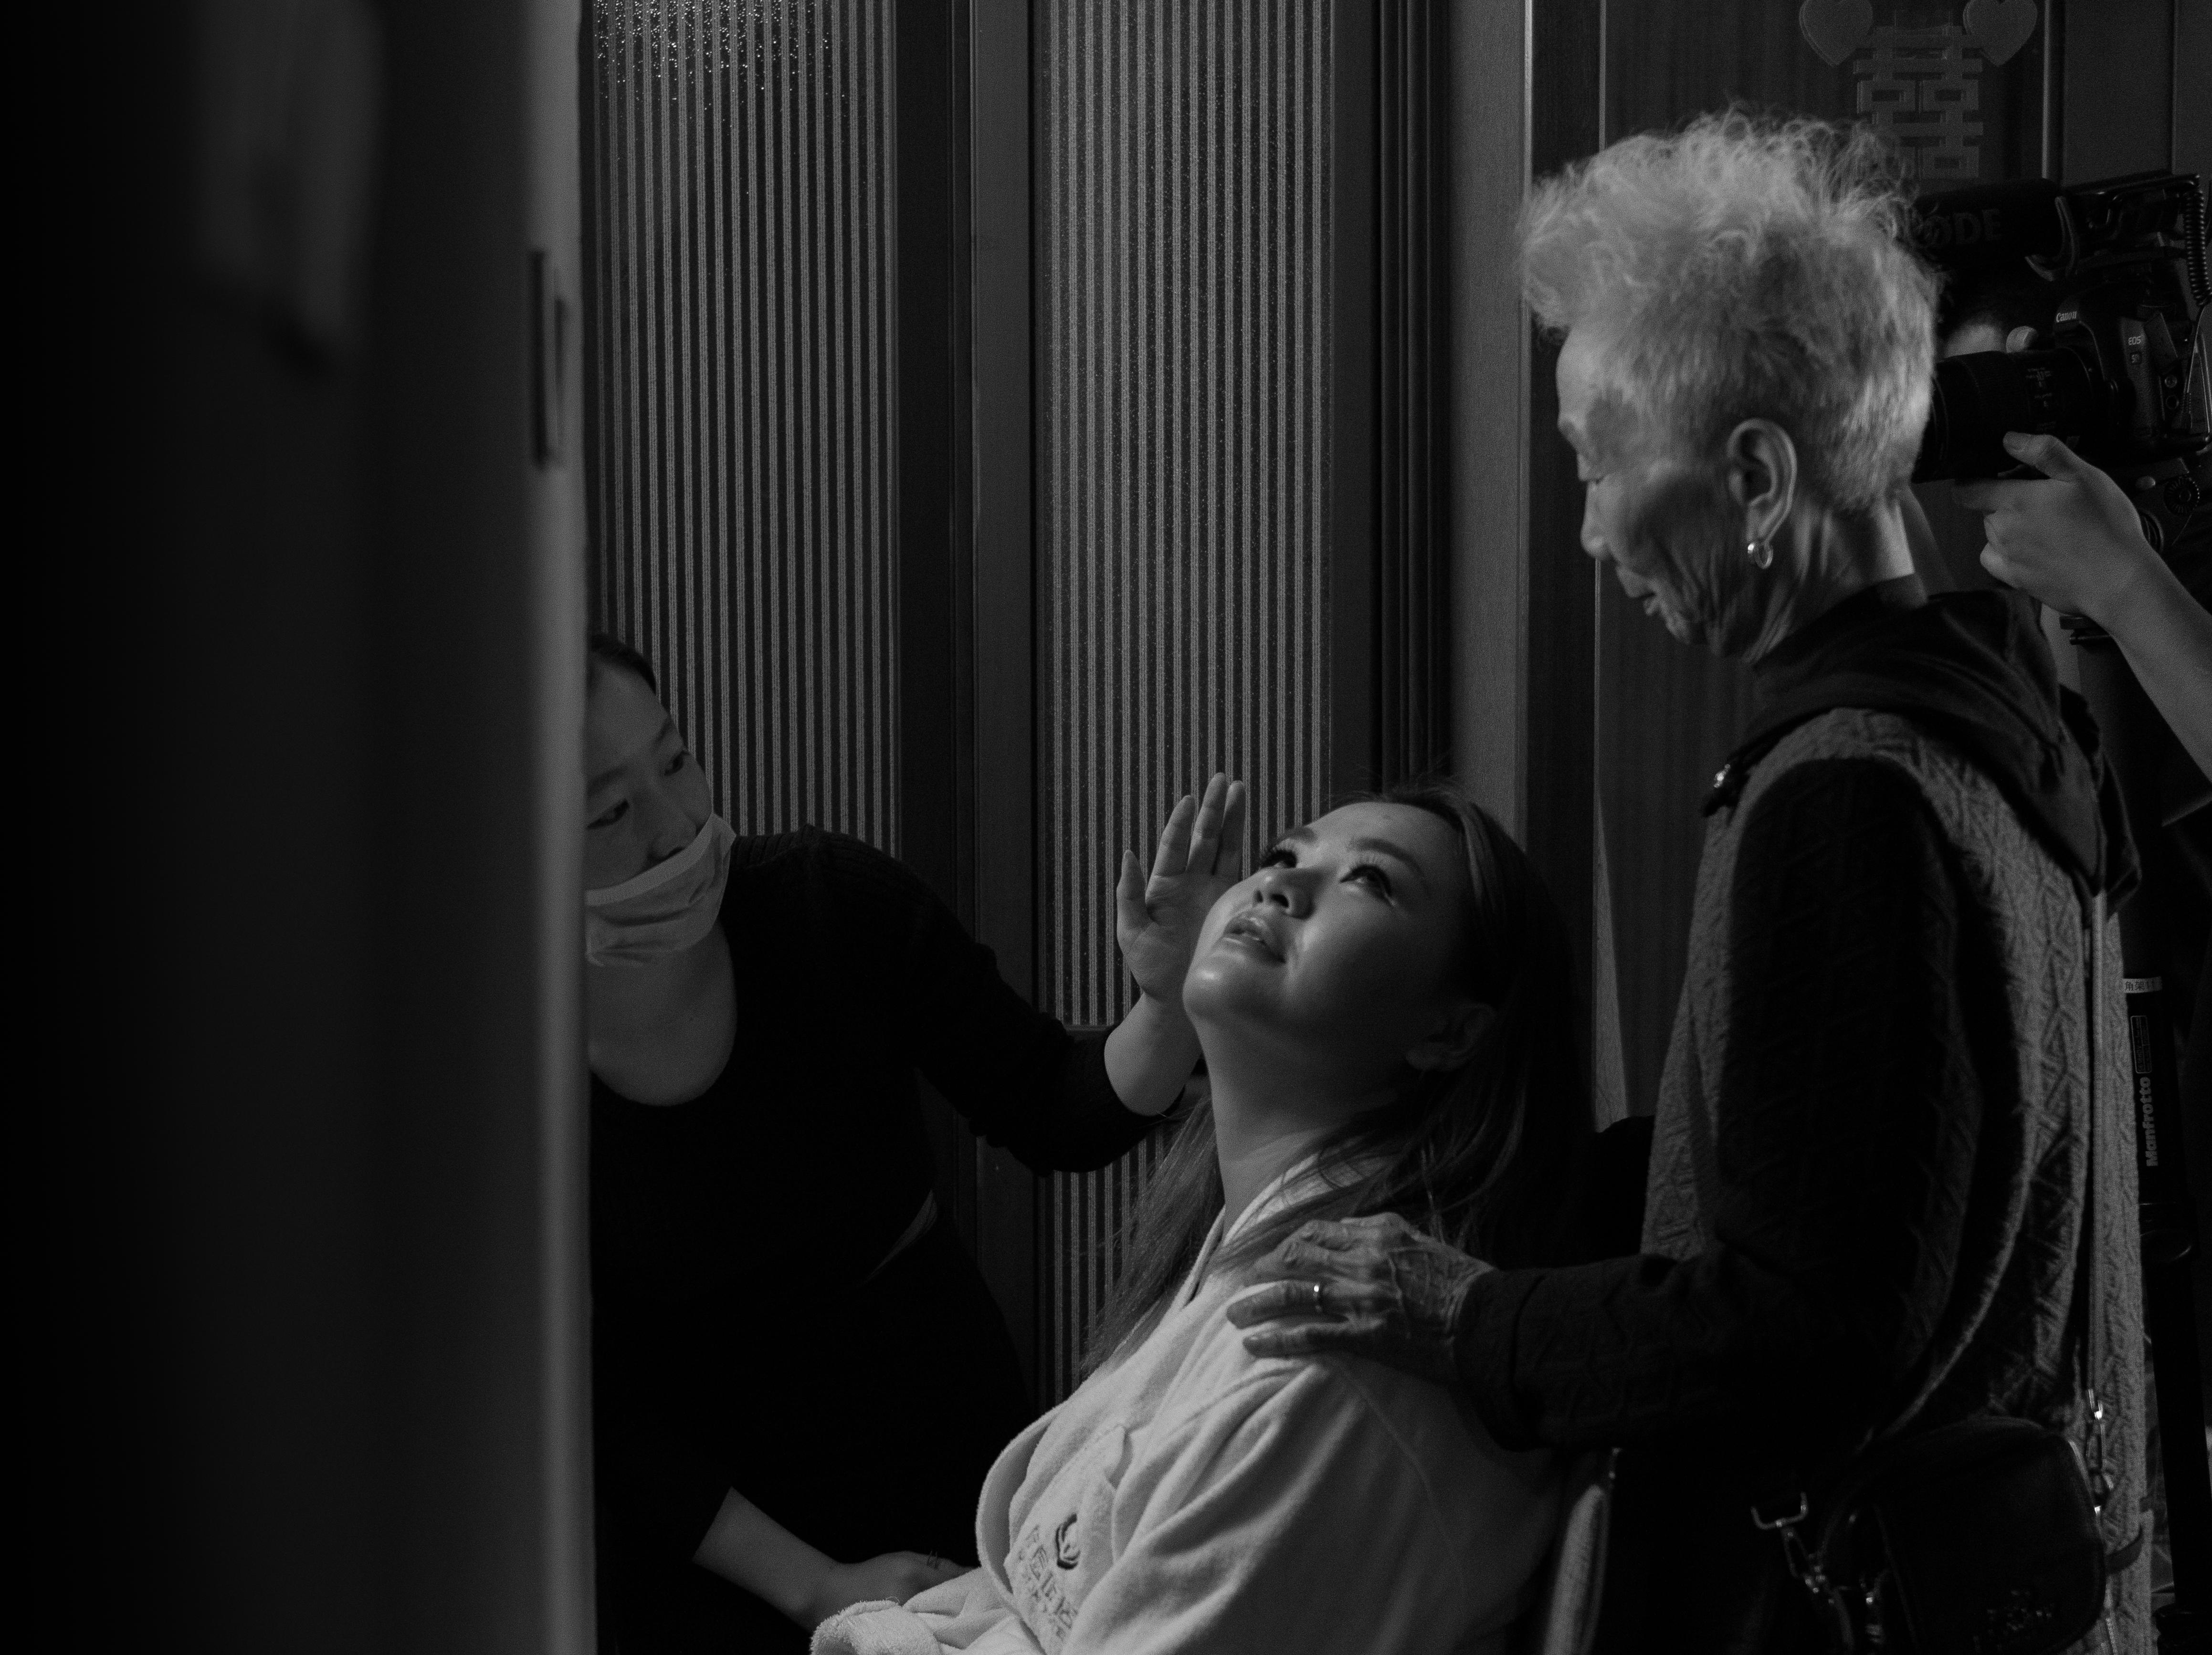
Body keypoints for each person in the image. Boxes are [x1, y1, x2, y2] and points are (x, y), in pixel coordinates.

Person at [1231, 112, 2153, 1651]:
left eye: (1599, 466)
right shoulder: (2003, 721)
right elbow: (1861, 1162)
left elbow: (1801, 1333)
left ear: (1755, 477)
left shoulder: (1846, 792)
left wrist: (1464, 1316)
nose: (1593, 531)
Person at [583, 634, 1246, 1654]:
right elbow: (601, 1403)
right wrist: (816, 1588)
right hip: (705, 1526)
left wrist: (1164, 1006)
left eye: (675, 761)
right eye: (610, 812)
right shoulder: (487, 1076)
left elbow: (1049, 1104)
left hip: (929, 1424)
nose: (675, 827)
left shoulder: (826, 902)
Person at [813, 787, 1590, 1655]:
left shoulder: (1338, 1354)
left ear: (1450, 1033)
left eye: (1370, 881)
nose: (1281, 885)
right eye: (1283, 856)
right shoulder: (1240, 1243)